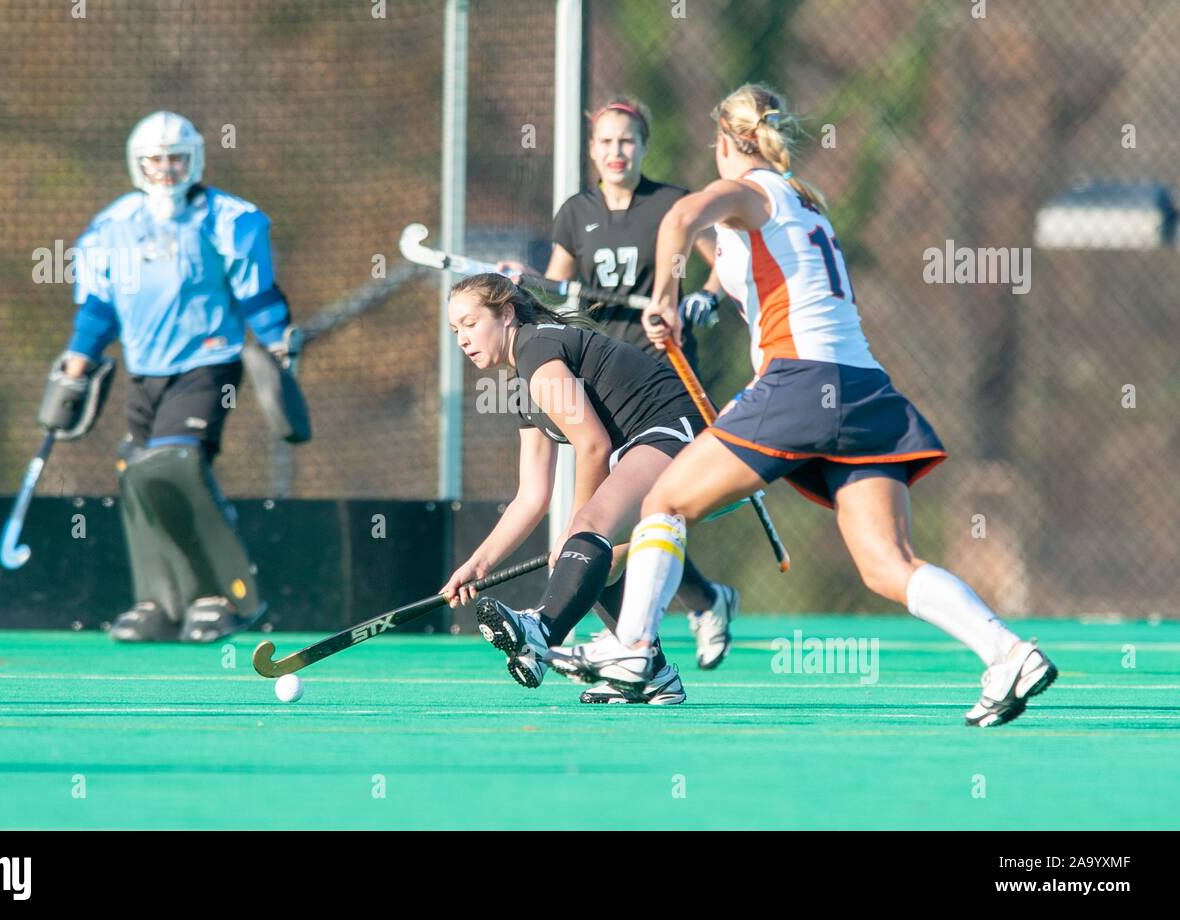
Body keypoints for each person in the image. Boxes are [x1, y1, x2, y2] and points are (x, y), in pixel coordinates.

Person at [549, 84, 1057, 728]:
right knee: (886, 564)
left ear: (730, 143)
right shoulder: (807, 202)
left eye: (714, 143)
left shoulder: (750, 189)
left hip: (799, 380)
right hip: (865, 388)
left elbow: (679, 220)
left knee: (665, 502)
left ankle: (635, 651)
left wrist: (668, 298)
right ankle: (1008, 652)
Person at [38, 111, 301, 643]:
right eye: (155, 159)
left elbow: (257, 292)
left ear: (195, 160)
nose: (166, 169)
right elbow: (98, 309)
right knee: (137, 473)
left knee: (178, 465)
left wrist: (276, 339)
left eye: (176, 158)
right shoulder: (113, 227)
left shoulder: (226, 218)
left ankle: (220, 596)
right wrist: (77, 360)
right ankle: (159, 600)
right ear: (138, 164)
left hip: (208, 361)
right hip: (145, 369)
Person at [499, 95, 740, 670]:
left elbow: (723, 265)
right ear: (591, 149)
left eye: (626, 141)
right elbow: (555, 297)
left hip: (659, 382)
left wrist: (704, 299)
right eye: (605, 142)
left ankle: (639, 640)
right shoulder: (575, 213)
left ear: (644, 147)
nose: (616, 152)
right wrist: (522, 283)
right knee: (620, 518)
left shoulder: (671, 206)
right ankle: (669, 624)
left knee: (632, 513)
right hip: (595, 382)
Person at [439, 273, 706, 705]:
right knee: (597, 565)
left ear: (506, 313)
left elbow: (593, 445)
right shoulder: (523, 387)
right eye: (455, 331)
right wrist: (478, 563)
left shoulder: (535, 349)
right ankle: (649, 671)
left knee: (587, 535)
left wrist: (576, 534)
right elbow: (532, 495)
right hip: (641, 451)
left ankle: (541, 631)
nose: (462, 340)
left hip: (678, 434)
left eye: (470, 323)